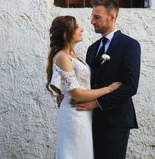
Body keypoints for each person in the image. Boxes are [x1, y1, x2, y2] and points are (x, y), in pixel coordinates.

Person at [73, 0, 141, 159]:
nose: (92, 22)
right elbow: (87, 83)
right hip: (90, 120)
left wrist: (97, 103)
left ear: (111, 17)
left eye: (97, 17)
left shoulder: (129, 45)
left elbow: (130, 86)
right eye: (92, 17)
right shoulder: (92, 48)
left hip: (116, 120)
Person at [47, 15, 122, 159]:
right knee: (73, 153)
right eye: (76, 27)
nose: (81, 29)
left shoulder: (75, 56)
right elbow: (77, 94)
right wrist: (109, 89)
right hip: (74, 113)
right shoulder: (63, 57)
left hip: (84, 114)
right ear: (65, 34)